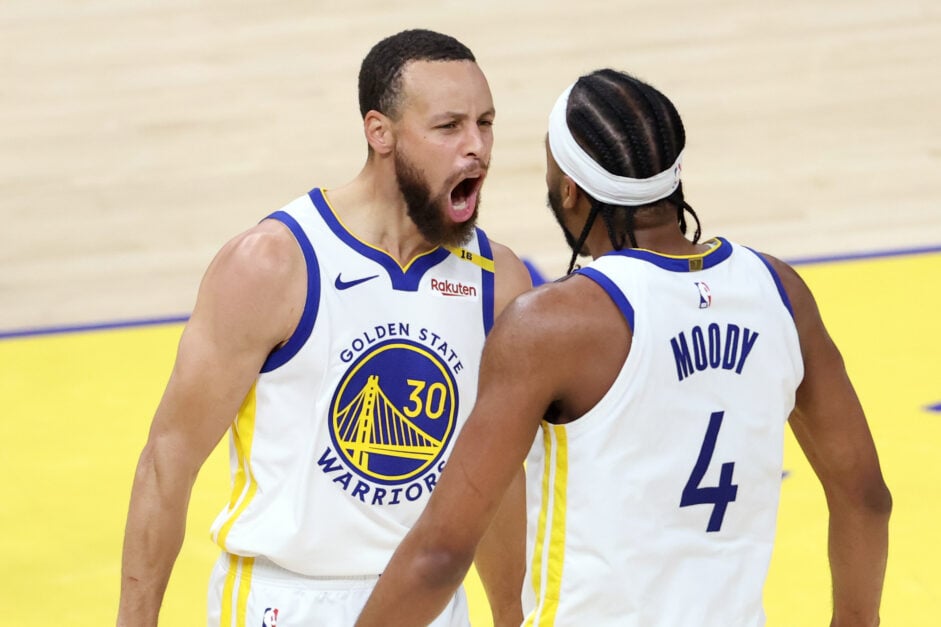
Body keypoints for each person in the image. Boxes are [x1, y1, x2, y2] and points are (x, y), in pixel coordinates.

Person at [356, 68, 892, 626]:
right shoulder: (780, 291)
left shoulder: (552, 326)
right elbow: (866, 497)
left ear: (567, 188)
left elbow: (440, 553)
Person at [117, 29, 532, 627]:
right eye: (449, 127)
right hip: (284, 603)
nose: (477, 148)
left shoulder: (499, 283)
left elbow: (497, 481)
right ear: (379, 132)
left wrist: (512, 616)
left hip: (433, 604)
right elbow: (169, 460)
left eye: (485, 123)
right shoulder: (273, 264)